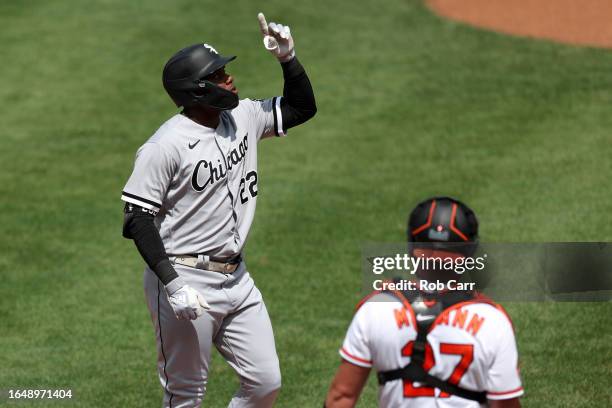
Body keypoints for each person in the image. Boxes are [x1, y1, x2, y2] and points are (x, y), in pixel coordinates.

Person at [120, 13, 316, 408]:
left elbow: (301, 108)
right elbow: (137, 219)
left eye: (226, 72)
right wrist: (173, 285)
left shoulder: (241, 116)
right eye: (220, 75)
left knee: (265, 383)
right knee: (186, 396)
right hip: (185, 279)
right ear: (197, 91)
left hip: (237, 278)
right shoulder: (164, 146)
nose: (230, 80)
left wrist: (288, 60)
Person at [325, 197, 524, 408]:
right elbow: (505, 404)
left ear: (412, 247)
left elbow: (342, 396)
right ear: (470, 252)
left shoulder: (375, 308)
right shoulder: (493, 321)